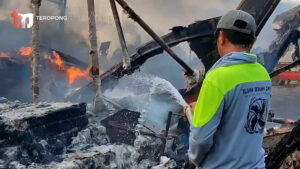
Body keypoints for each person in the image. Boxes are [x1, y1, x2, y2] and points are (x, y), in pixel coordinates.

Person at [184, 10, 272, 169]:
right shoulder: (262, 74)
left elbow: (201, 139)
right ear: (252, 42)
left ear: (221, 37)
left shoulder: (217, 78)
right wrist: (202, 108)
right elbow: (240, 116)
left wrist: (194, 158)